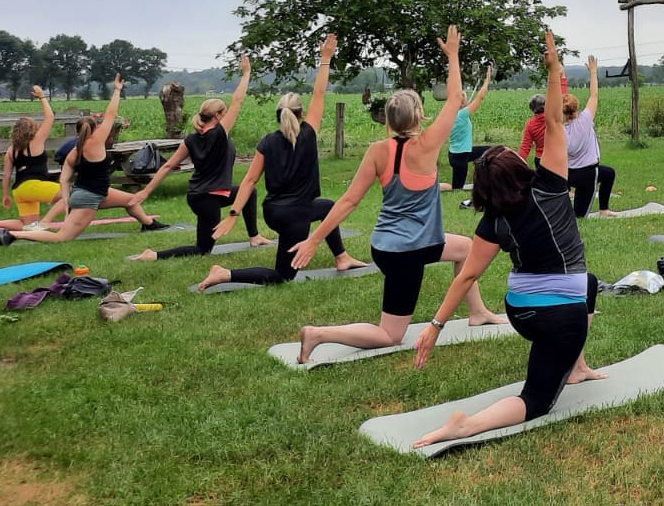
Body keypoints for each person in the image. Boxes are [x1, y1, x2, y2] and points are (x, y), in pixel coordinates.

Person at [411, 31, 605, 448]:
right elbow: (554, 121)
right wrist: (554, 69)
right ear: (520, 167)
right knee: (536, 399)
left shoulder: (493, 221)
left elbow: (465, 279)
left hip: (521, 312)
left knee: (590, 283)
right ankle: (466, 426)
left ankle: (578, 366)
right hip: (558, 318)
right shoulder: (552, 184)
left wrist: (434, 326)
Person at [284, 28, 505, 359]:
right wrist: (453, 55)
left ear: (388, 120)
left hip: (388, 246)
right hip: (408, 251)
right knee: (390, 335)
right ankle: (318, 334)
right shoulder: (427, 145)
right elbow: (456, 96)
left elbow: (349, 201)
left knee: (465, 249)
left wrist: (316, 239)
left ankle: (477, 312)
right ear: (419, 117)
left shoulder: (377, 151)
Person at [193, 35, 367, 289]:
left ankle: (342, 257)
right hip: (295, 215)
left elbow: (250, 180)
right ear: (301, 113)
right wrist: (326, 59)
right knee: (283, 276)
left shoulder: (267, 142)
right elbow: (319, 93)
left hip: (273, 212)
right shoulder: (309, 132)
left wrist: (233, 214)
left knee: (328, 206)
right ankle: (224, 274)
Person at [128, 58, 273, 261]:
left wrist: (146, 191)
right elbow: (238, 100)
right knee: (203, 249)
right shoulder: (219, 134)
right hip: (208, 198)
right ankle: (153, 255)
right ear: (218, 115)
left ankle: (254, 236)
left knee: (248, 192)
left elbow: (169, 165)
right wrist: (247, 74)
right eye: (224, 113)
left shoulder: (192, 139)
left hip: (200, 195)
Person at [0, 76, 171, 244]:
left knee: (130, 200)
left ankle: (149, 224)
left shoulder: (74, 152)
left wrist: (66, 202)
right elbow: (111, 114)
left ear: (76, 132)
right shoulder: (97, 141)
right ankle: (12, 235)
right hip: (89, 198)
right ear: (95, 129)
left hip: (94, 193)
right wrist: (117, 90)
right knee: (62, 237)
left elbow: (64, 180)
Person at [0, 87, 61, 231]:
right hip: (33, 186)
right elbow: (50, 118)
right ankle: (48, 223)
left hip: (19, 190)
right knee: (69, 194)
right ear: (32, 129)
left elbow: (6, 175)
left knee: (28, 225)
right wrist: (42, 97)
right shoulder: (36, 141)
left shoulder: (11, 150)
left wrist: (5, 195)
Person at [565, 55, 617, 218]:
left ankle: (604, 209)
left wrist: (558, 75)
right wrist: (593, 72)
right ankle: (602, 210)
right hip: (587, 174)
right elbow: (594, 95)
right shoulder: (585, 120)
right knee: (580, 217)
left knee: (608, 173)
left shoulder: (558, 128)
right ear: (576, 109)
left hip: (567, 174)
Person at [446, 69, 493, 191]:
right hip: (460, 157)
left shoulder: (450, 113)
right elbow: (480, 97)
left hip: (457, 154)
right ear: (462, 101)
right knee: (457, 189)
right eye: (465, 97)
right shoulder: (461, 114)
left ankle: (484, 177)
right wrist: (487, 78)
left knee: (490, 151)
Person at [517, 93, 549, 163]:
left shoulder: (530, 124)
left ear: (532, 108)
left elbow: (525, 147)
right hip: (554, 157)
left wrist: (517, 162)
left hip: (540, 160)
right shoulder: (553, 119)